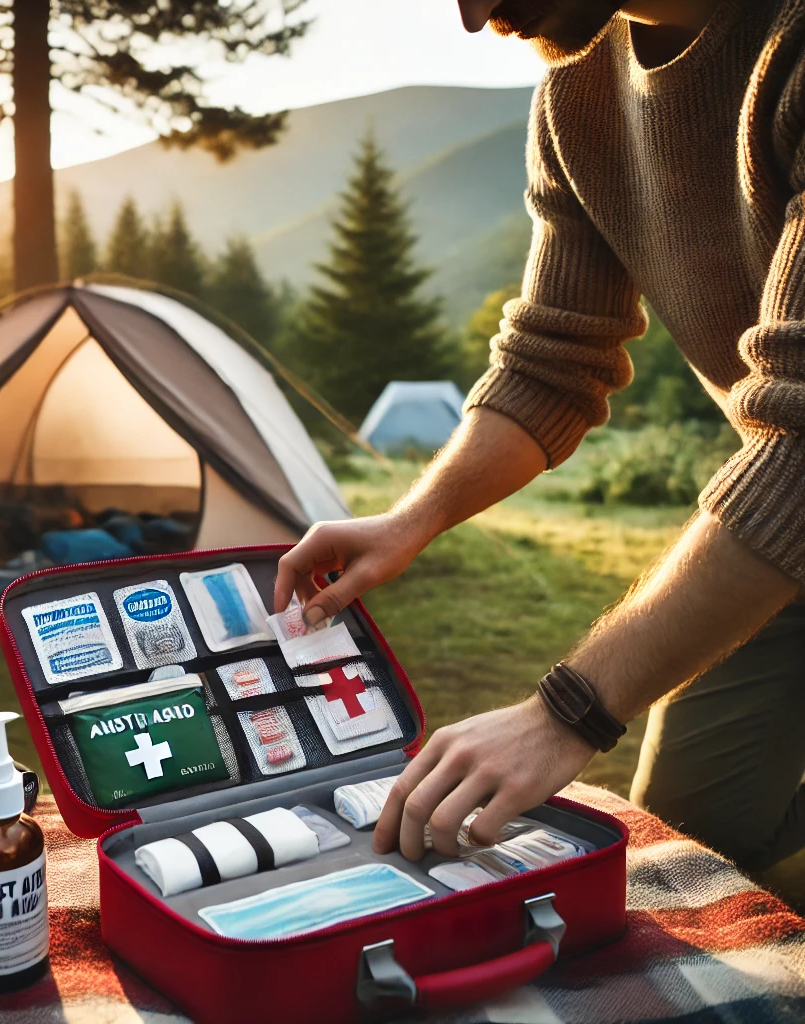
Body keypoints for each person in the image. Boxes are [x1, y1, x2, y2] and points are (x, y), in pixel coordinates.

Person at [274, 0, 805, 872]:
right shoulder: (578, 92)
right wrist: (410, 521)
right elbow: (554, 361)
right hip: (777, 539)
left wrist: (566, 712)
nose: (473, 17)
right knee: (696, 840)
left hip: (786, 495)